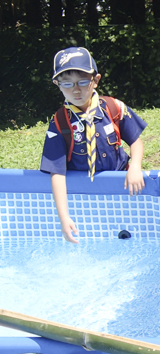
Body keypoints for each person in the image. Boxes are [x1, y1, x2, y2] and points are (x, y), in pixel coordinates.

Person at [40, 47, 147, 243]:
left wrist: (136, 167)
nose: (76, 90)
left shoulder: (114, 107)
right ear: (57, 84)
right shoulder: (59, 122)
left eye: (82, 82)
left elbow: (135, 141)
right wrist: (63, 217)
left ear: (95, 80)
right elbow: (57, 171)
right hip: (85, 195)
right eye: (67, 83)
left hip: (120, 186)